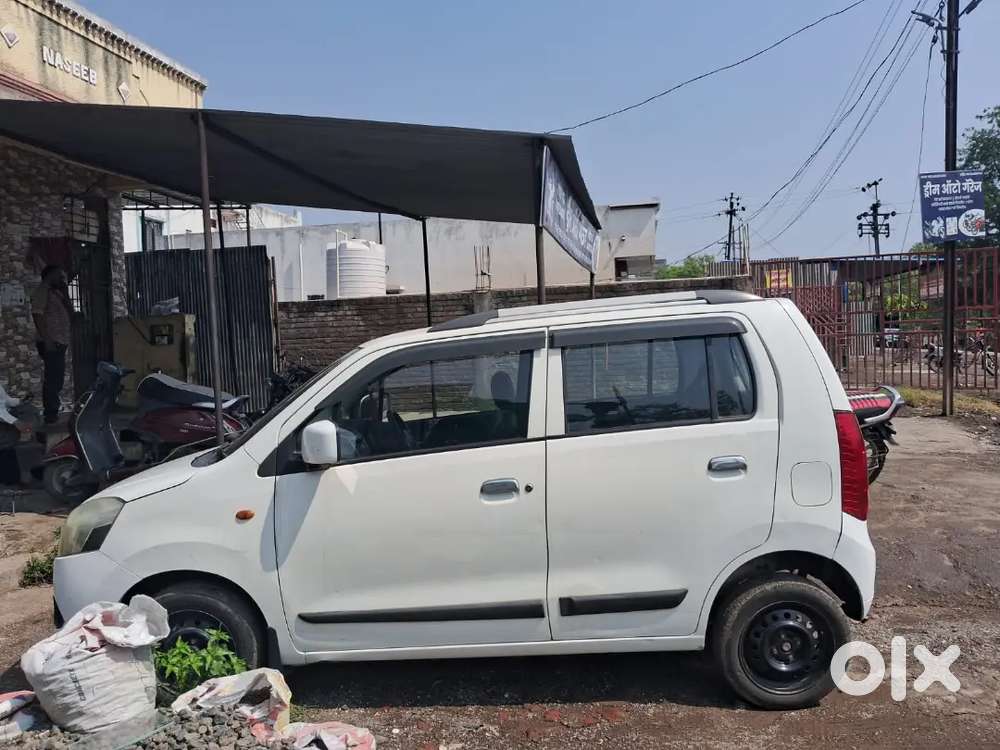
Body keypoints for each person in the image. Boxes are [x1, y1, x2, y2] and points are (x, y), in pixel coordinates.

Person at [31, 265, 73, 424]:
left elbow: (70, 312)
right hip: (51, 341)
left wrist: (66, 292)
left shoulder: (57, 292)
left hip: (60, 341)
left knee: (57, 377)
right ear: (50, 275)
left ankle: (52, 411)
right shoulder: (43, 290)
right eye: (60, 276)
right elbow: (37, 314)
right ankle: (50, 413)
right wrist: (47, 339)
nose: (62, 279)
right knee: (53, 378)